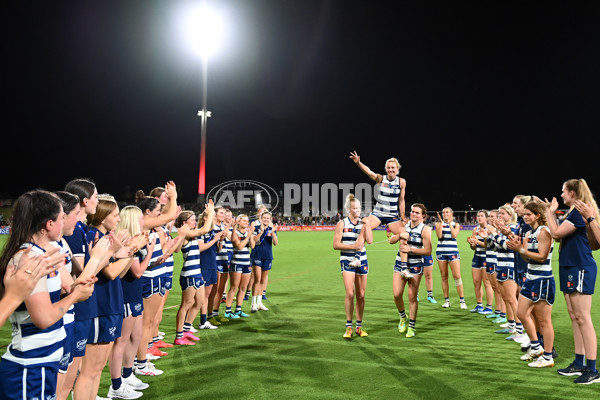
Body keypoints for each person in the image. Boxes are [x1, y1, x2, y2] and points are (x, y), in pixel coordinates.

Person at [0, 190, 97, 400]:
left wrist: (74, 288)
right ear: (49, 224)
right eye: (62, 217)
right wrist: (75, 296)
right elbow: (43, 319)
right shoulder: (28, 258)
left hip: (42, 362)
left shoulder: (40, 254)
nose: (65, 222)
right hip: (30, 367)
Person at [536, 179, 599, 384]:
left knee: (583, 317)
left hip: (580, 266)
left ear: (572, 193)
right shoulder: (574, 212)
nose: (561, 195)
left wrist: (548, 211)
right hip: (570, 266)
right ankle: (579, 363)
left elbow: (555, 234)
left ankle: (592, 369)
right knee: (574, 316)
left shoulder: (579, 213)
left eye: (563, 191)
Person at [110, 205, 154, 393]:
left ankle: (128, 375)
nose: (143, 221)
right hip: (127, 294)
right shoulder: (128, 241)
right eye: (140, 218)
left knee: (136, 336)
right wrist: (149, 251)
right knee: (122, 340)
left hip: (135, 294)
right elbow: (136, 272)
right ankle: (116, 385)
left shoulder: (137, 239)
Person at [507, 201, 556, 368]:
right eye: (524, 214)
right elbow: (527, 258)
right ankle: (536, 347)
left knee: (544, 321)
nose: (525, 217)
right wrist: (518, 247)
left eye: (529, 214)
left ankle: (548, 357)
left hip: (543, 279)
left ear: (538, 215)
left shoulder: (544, 232)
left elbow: (542, 256)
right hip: (531, 277)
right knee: (521, 313)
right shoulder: (529, 234)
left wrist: (520, 249)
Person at [333, 194, 373, 340]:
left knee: (361, 295)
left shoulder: (363, 223)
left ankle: (359, 327)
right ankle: (348, 326)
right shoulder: (342, 224)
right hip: (347, 260)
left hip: (362, 260)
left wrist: (367, 225)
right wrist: (353, 246)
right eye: (355, 208)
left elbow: (369, 240)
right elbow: (336, 245)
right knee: (350, 293)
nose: (358, 210)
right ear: (349, 209)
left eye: (359, 208)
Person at [173, 207, 215, 343]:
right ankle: (179, 335)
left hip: (197, 273)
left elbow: (204, 231)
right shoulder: (185, 234)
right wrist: (211, 213)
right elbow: (204, 230)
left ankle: (186, 329)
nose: (195, 222)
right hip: (189, 274)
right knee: (186, 304)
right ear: (185, 222)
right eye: (192, 220)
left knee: (199, 302)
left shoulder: (191, 233)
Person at [390, 203, 432, 338]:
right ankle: (403, 316)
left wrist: (411, 249)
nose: (413, 214)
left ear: (423, 216)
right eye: (412, 211)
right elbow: (391, 240)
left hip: (415, 266)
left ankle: (412, 326)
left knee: (412, 297)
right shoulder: (404, 225)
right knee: (397, 294)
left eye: (417, 213)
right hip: (399, 264)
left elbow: (428, 250)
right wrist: (400, 235)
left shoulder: (425, 229)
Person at [435, 208, 467, 309]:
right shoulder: (438, 224)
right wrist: (441, 222)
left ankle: (462, 301)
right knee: (444, 276)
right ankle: (447, 301)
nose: (445, 214)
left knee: (457, 276)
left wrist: (449, 224)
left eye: (447, 212)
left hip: (453, 252)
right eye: (443, 212)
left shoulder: (456, 224)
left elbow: (454, 235)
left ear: (451, 214)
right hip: (441, 252)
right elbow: (439, 236)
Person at [224, 214, 254, 319]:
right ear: (239, 222)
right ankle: (228, 311)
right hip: (236, 262)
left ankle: (238, 310)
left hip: (247, 262)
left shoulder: (248, 232)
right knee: (234, 287)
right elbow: (239, 246)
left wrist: (250, 236)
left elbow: (253, 246)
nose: (246, 222)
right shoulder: (235, 232)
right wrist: (248, 236)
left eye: (247, 221)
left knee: (243, 288)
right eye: (244, 221)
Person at [250, 210, 279, 313]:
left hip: (267, 256)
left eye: (268, 218)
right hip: (257, 255)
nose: (266, 219)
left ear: (270, 220)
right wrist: (261, 231)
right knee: (257, 279)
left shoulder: (272, 230)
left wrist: (273, 233)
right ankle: (253, 304)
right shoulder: (256, 228)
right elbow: (254, 241)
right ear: (261, 219)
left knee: (263, 280)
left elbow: (276, 243)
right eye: (264, 218)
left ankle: (259, 302)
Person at [467, 210, 494, 314]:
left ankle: (489, 307)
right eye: (478, 216)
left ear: (486, 218)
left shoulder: (490, 229)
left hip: (486, 257)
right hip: (477, 257)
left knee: (487, 283)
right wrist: (472, 244)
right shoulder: (475, 229)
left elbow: (488, 245)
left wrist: (477, 241)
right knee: (476, 282)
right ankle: (479, 305)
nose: (479, 217)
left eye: (482, 216)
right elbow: (473, 247)